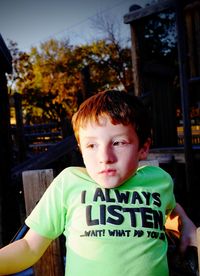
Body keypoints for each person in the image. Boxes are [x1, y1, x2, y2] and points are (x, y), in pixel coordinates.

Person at [0, 90, 197, 276]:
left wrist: (186, 223)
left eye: (118, 142)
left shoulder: (158, 180)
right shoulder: (69, 183)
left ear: (143, 148)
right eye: (92, 145)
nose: (105, 157)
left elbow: (169, 206)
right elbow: (29, 246)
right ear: (81, 150)